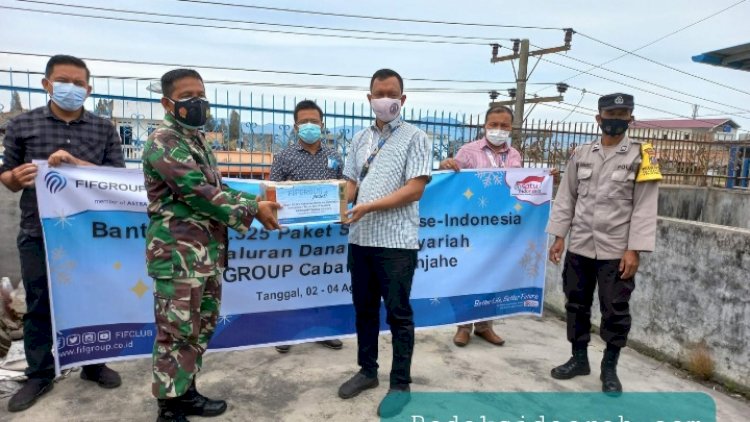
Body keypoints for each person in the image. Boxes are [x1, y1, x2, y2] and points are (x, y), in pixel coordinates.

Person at [143, 68, 280, 422]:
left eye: (201, 95)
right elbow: (197, 192)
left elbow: (217, 187)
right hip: (178, 257)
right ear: (167, 103)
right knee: (175, 333)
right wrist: (253, 209)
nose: (197, 103)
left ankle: (186, 392)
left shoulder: (197, 139)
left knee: (200, 328)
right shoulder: (164, 140)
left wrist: (255, 201)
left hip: (205, 255)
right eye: (187, 96)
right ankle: (168, 409)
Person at [1, 54, 124, 413]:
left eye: (78, 83)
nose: (71, 88)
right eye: (63, 81)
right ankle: (40, 374)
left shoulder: (103, 129)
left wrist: (77, 165)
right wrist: (15, 177)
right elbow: (7, 176)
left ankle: (93, 363)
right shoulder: (22, 124)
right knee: (39, 302)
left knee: (92, 299)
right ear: (47, 84)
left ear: (89, 88)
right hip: (39, 231)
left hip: (89, 235)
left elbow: (117, 178)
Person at [546, 93, 660, 395]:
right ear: (599, 118)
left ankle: (609, 368)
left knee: (615, 310)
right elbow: (567, 197)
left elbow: (645, 206)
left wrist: (634, 249)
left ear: (631, 118)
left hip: (617, 251)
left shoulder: (643, 156)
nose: (617, 120)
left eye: (623, 115)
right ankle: (579, 359)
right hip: (580, 245)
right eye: (611, 114)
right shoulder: (581, 154)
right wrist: (559, 236)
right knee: (576, 304)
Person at [338, 69, 432, 418]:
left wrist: (368, 206)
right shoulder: (359, 138)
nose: (385, 99)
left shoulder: (416, 138)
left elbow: (415, 189)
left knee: (398, 314)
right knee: (364, 311)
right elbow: (350, 182)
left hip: (396, 243)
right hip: (360, 239)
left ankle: (400, 384)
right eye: (379, 93)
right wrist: (341, 205)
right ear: (370, 98)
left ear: (402, 99)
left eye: (392, 93)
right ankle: (367, 371)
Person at [439, 105, 521, 348]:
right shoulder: (468, 151)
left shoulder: (514, 155)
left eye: (504, 125)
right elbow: (450, 178)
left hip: (501, 228)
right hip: (470, 225)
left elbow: (520, 186)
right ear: (485, 125)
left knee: (493, 275)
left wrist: (545, 179)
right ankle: (463, 326)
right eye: (493, 124)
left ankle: (485, 326)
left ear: (511, 128)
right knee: (466, 274)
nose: (498, 129)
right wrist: (446, 165)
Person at [269, 99, 345, 354]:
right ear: (295, 127)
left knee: (323, 281)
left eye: (314, 121)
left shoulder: (335, 157)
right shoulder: (283, 157)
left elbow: (343, 191)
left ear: (322, 125)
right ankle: (287, 332)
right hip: (294, 235)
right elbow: (272, 193)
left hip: (326, 236)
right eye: (304, 122)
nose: (309, 125)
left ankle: (323, 331)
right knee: (291, 282)